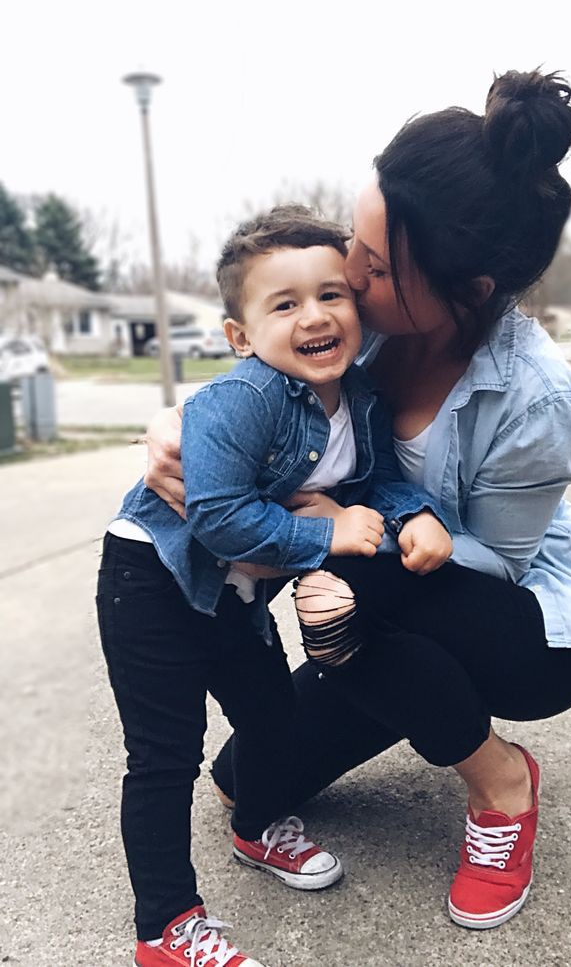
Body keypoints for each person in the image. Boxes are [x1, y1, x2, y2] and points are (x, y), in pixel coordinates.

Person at [144, 69, 571, 932]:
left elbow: (500, 561)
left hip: (526, 630)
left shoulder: (537, 396)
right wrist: (175, 433)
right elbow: (251, 386)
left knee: (357, 575)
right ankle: (386, 664)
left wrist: (353, 529)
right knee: (243, 782)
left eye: (372, 264)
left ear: (465, 290)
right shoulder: (350, 334)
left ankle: (503, 783)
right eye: (352, 243)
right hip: (387, 597)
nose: (346, 278)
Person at [96, 205, 451, 967]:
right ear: (240, 334)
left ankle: (257, 827)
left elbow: (376, 480)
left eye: (332, 294)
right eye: (284, 304)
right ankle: (166, 927)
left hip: (235, 595)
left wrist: (415, 513)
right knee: (164, 754)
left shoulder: (362, 397)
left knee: (272, 715)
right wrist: (327, 533)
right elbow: (220, 517)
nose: (314, 316)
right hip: (152, 582)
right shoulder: (243, 398)